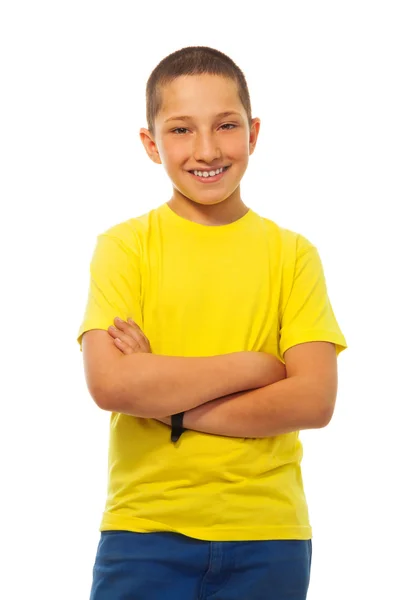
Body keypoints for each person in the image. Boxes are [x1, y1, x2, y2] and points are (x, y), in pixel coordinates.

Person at [77, 45, 347, 600]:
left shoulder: (292, 255)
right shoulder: (125, 248)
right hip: (145, 529)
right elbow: (111, 385)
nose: (206, 149)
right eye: (180, 130)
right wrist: (254, 365)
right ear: (151, 145)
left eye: (225, 126)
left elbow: (313, 401)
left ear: (252, 133)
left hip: (268, 533)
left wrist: (165, 401)